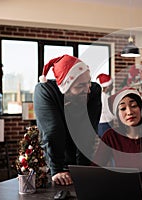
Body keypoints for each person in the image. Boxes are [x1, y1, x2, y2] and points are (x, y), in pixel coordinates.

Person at [34, 54, 102, 186]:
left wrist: (82, 170)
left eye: (88, 82)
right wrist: (56, 170)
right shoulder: (45, 90)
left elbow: (88, 131)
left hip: (77, 156)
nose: (87, 90)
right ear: (65, 87)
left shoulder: (93, 90)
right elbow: (52, 131)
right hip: (52, 158)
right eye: (80, 86)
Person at [96, 73, 115, 137]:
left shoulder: (100, 96)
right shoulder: (105, 97)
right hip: (105, 125)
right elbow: (108, 113)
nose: (113, 86)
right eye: (112, 85)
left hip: (100, 125)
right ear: (108, 86)